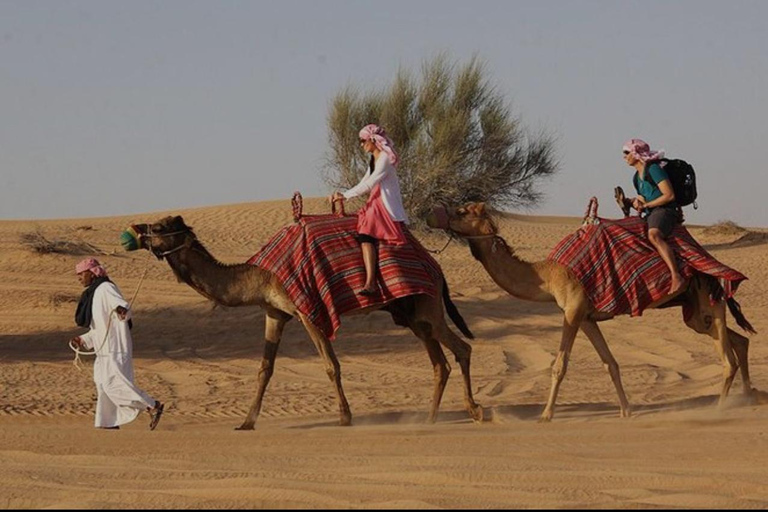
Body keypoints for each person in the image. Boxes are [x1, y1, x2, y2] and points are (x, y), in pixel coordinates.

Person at [69, 258, 164, 430]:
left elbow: (121, 306)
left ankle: (152, 405)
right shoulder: (94, 293)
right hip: (103, 350)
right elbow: (100, 327)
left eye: (81, 274)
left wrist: (122, 310)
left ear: (92, 273)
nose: (79, 278)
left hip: (115, 347)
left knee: (113, 384)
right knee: (102, 384)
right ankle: (108, 422)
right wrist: (83, 339)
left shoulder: (106, 288)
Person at [330, 124, 408, 296]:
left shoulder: (385, 158)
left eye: (363, 140)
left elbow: (371, 183)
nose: (361, 144)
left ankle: (371, 282)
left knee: (365, 235)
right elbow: (364, 181)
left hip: (383, 203)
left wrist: (345, 195)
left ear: (373, 139)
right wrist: (343, 193)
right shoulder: (374, 159)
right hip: (375, 200)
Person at [622, 138, 685, 295]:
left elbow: (669, 195)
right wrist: (631, 202)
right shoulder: (636, 177)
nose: (624, 157)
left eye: (626, 153)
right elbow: (643, 198)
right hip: (651, 212)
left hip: (665, 210)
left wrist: (647, 205)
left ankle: (676, 275)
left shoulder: (654, 169)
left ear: (636, 153)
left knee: (654, 235)